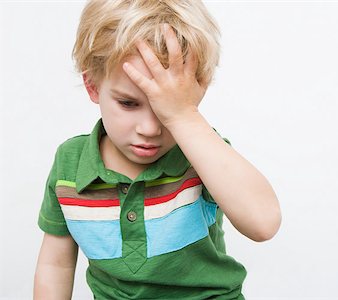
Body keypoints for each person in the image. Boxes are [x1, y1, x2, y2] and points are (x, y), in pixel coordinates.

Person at [33, 0, 282, 299]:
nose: (150, 128)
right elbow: (55, 266)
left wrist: (183, 116)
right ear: (93, 86)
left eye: (165, 108)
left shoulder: (200, 152)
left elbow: (263, 223)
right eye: (129, 103)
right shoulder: (69, 165)